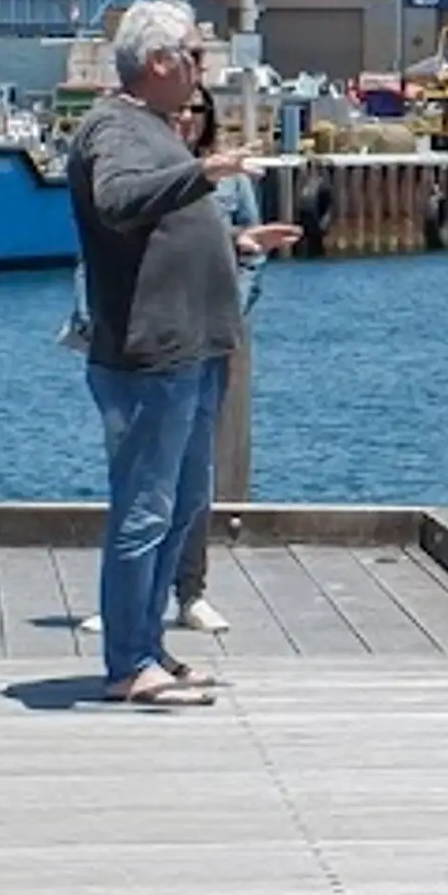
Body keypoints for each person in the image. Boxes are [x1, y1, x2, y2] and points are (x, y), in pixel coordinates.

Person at [66, 0, 294, 708]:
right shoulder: (113, 127)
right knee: (144, 506)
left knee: (184, 503)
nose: (203, 68)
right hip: (150, 356)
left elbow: (159, 233)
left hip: (196, 351)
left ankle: (149, 645)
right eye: (195, 54)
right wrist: (205, 173)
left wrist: (236, 244)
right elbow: (117, 201)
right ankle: (127, 662)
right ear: (160, 61)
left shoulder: (152, 129)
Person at [167, 88, 274, 635]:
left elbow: (254, 253)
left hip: (209, 339)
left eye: (196, 110)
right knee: (136, 470)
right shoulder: (143, 172)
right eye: (178, 109)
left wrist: (233, 310)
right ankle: (128, 595)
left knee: (195, 471)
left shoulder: (231, 180)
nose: (186, 118)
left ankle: (190, 591)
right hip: (150, 340)